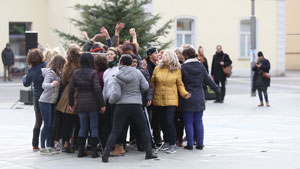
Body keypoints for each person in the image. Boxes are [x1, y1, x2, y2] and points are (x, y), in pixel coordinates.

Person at [102, 54, 157, 163]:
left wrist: (111, 101)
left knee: (115, 130)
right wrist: (137, 93)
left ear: (120, 62)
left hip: (121, 105)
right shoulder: (137, 72)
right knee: (143, 128)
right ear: (131, 63)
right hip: (136, 104)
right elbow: (145, 86)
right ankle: (149, 153)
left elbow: (116, 94)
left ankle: (106, 154)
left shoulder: (118, 75)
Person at [151, 50, 191, 154]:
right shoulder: (157, 68)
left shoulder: (176, 70)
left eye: (164, 55)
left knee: (169, 121)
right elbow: (152, 84)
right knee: (162, 121)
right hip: (158, 99)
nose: (161, 56)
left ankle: (173, 143)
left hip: (171, 100)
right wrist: (149, 96)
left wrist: (184, 93)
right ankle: (167, 141)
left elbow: (180, 84)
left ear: (170, 57)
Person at [180, 48, 220, 150]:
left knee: (188, 122)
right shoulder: (200, 66)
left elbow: (179, 83)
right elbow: (208, 80)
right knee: (198, 120)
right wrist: (217, 89)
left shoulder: (183, 67)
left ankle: (190, 144)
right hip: (199, 96)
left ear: (186, 56)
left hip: (187, 97)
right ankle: (200, 144)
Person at [69, 53, 106, 158]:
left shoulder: (76, 73)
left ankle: (81, 150)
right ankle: (94, 151)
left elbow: (71, 90)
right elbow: (97, 89)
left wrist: (71, 103)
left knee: (83, 126)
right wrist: (102, 104)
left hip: (81, 103)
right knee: (94, 127)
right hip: (93, 103)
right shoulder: (93, 72)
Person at [56, 45, 81, 153]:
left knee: (67, 121)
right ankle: (76, 142)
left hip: (67, 93)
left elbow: (64, 80)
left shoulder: (67, 65)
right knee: (79, 121)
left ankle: (66, 142)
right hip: (80, 92)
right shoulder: (82, 64)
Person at [39, 55, 66, 155]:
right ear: (58, 64)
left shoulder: (58, 73)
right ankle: (42, 147)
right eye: (62, 65)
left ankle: (49, 146)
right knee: (47, 124)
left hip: (52, 102)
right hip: (45, 101)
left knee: (51, 125)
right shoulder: (50, 73)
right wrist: (52, 84)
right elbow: (44, 85)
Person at [23, 48, 47, 151]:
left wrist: (24, 77)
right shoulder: (46, 65)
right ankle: (47, 142)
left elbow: (26, 83)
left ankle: (35, 144)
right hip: (47, 95)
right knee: (48, 121)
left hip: (37, 97)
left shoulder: (31, 70)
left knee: (38, 121)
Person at [145, 47, 162, 146]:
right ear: (150, 55)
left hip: (156, 95)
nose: (158, 55)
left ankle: (157, 138)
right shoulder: (148, 66)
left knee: (156, 119)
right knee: (151, 119)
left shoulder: (157, 65)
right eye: (155, 53)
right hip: (150, 95)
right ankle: (151, 140)